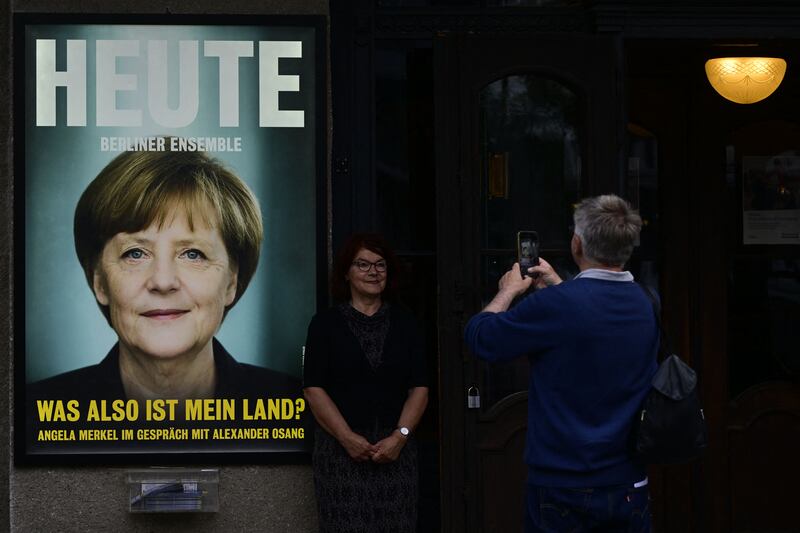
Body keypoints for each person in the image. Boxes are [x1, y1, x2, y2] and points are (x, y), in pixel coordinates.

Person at [28, 147, 300, 405]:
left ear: (231, 282)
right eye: (135, 253)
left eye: (193, 254)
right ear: (100, 282)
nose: (162, 281)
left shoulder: (301, 411)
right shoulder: (30, 415)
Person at [464, 195, 658, 532]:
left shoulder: (559, 305)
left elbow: (481, 337)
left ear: (577, 243)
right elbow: (594, 322)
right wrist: (559, 287)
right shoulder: (646, 302)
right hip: (628, 481)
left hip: (563, 483)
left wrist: (507, 291)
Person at [303, 234, 429, 533]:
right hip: (340, 457)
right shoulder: (325, 325)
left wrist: (401, 436)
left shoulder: (406, 323)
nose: (373, 272)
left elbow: (420, 388)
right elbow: (313, 388)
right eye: (363, 264)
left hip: (395, 454)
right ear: (346, 272)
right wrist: (347, 438)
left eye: (380, 265)